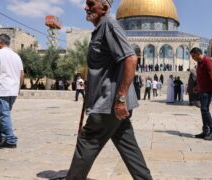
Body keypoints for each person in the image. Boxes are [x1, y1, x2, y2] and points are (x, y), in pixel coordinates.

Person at [66, 0, 152, 179]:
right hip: (113, 104)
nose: (85, 7)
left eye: (91, 3)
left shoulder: (110, 26)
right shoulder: (101, 29)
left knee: (87, 141)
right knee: (128, 146)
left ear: (104, 7)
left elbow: (130, 59)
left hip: (109, 104)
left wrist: (120, 99)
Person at [190, 47, 212, 141]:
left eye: (193, 56)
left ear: (198, 54)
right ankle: (206, 131)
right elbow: (202, 77)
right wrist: (197, 87)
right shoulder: (199, 63)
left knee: (205, 110)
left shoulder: (207, 61)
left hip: (207, 91)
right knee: (203, 110)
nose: (192, 58)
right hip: (202, 90)